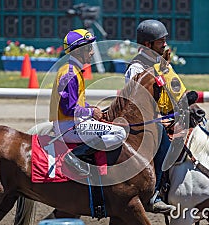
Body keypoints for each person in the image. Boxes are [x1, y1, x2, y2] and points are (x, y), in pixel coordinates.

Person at [124, 19, 186, 214]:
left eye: (165, 40)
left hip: (162, 115)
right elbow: (138, 104)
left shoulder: (159, 62)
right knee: (165, 144)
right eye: (161, 41)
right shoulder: (136, 68)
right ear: (147, 45)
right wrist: (161, 118)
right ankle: (154, 195)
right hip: (143, 121)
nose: (165, 45)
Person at [50, 29, 127, 176]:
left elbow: (75, 103)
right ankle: (76, 157)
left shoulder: (72, 70)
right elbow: (68, 109)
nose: (92, 52)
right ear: (79, 51)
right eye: (89, 48)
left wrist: (91, 108)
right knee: (120, 133)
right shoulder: (70, 74)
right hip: (68, 127)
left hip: (71, 124)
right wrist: (91, 112)